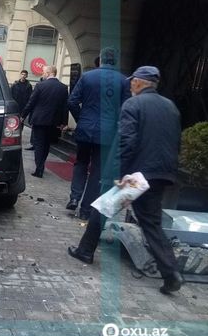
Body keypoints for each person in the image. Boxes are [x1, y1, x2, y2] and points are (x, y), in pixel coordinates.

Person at [68, 66, 184, 295]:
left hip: (135, 175)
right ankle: (171, 273)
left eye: (132, 81)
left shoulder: (133, 104)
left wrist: (118, 174)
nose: (130, 85)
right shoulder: (170, 106)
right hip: (160, 173)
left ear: (139, 82)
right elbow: (175, 142)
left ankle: (85, 251)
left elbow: (126, 141)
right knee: (151, 224)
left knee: (103, 207)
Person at [66, 47, 130, 220]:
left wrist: (81, 119)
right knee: (97, 171)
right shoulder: (123, 81)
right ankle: (86, 209)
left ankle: (74, 197)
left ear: (100, 59)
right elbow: (125, 110)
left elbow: (72, 101)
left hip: (86, 128)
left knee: (81, 163)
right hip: (107, 133)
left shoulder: (87, 77)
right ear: (116, 61)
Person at [20, 65, 68, 178]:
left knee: (39, 144)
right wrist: (64, 123)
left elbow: (31, 102)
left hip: (39, 120)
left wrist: (23, 115)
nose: (43, 74)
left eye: (44, 72)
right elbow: (65, 107)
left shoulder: (40, 85)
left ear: (49, 73)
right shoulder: (63, 87)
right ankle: (41, 165)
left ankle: (39, 168)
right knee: (46, 144)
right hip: (53, 121)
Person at [11, 70, 34, 149]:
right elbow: (11, 94)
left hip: (23, 107)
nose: (23, 76)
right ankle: (12, 136)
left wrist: (27, 106)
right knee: (13, 121)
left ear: (26, 76)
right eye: (22, 74)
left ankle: (19, 136)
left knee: (21, 122)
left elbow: (30, 97)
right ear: (20, 75)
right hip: (15, 106)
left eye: (25, 75)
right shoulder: (15, 84)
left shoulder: (29, 86)